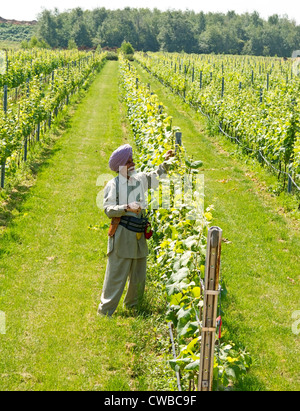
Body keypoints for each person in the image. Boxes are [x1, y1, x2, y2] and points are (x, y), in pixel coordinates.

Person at [98, 144, 174, 316]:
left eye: (132, 160)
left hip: (139, 237)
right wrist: (127, 207)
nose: (133, 163)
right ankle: (105, 311)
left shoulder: (139, 179)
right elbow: (108, 209)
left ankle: (133, 308)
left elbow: (155, 177)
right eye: (129, 161)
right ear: (120, 167)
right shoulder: (113, 184)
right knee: (116, 275)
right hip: (123, 235)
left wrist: (166, 163)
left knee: (138, 276)